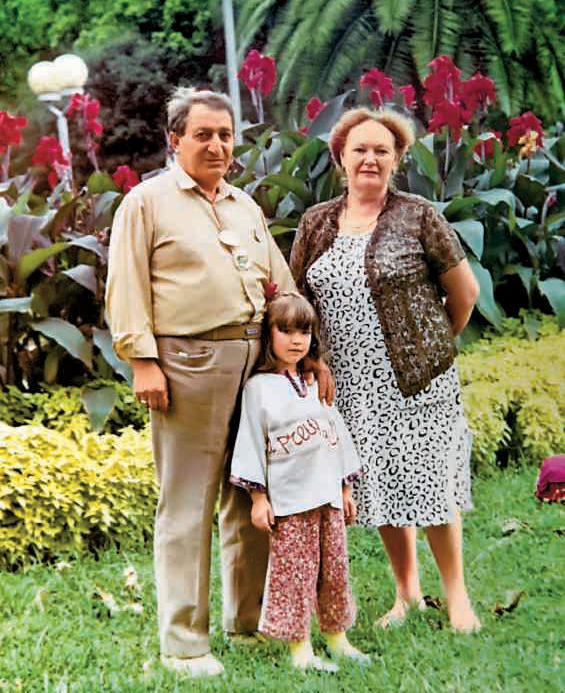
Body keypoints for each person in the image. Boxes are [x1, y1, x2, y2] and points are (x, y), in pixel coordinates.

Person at [106, 87, 311, 677]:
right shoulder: (146, 203)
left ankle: (248, 622)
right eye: (203, 135)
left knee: (250, 494)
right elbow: (125, 286)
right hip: (186, 364)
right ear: (175, 139)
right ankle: (184, 643)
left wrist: (304, 354)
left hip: (255, 362)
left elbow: (281, 285)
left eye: (225, 135)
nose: (217, 145)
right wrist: (143, 361)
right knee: (187, 502)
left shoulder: (244, 206)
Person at [290, 107, 481, 633]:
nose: (370, 159)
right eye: (360, 149)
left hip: (418, 379)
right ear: (341, 158)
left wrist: (432, 343)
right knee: (382, 479)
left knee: (431, 480)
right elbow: (298, 300)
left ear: (397, 159)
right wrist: (312, 360)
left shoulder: (419, 215)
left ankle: (457, 597)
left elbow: (465, 293)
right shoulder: (316, 223)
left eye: (382, 150)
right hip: (349, 382)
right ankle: (406, 594)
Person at [230, 291, 368, 670]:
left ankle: (338, 639)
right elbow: (251, 443)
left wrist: (345, 489)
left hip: (328, 498)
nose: (296, 340)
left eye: (304, 332)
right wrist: (259, 499)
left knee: (334, 571)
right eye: (286, 331)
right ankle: (300, 649)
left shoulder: (315, 382)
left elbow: (336, 435)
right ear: (269, 335)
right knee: (295, 575)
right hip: (291, 503)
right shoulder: (258, 389)